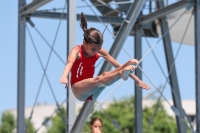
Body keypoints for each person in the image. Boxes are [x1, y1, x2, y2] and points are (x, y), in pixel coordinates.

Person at [60, 12, 150, 101]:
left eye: (98, 49)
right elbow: (69, 63)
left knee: (106, 74)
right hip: (79, 90)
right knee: (99, 79)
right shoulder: (76, 51)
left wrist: (138, 80)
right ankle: (120, 74)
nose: (95, 52)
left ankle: (124, 68)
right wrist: (64, 76)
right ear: (84, 43)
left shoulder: (100, 51)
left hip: (93, 93)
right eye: (93, 50)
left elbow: (117, 65)